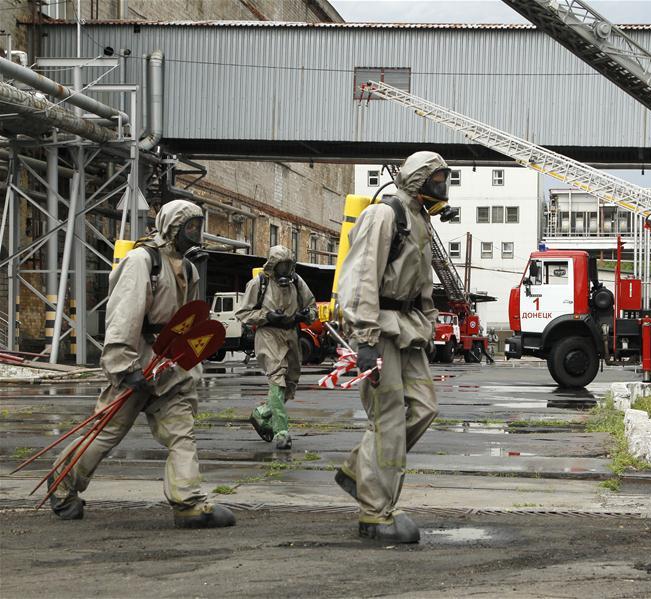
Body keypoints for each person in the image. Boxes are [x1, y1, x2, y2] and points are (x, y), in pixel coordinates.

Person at [48, 200, 236, 529]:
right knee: (105, 434)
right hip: (137, 363)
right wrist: (123, 365)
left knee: (182, 434)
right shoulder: (141, 261)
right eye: (190, 227)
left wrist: (188, 365)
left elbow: (188, 322)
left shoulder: (188, 268)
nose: (196, 233)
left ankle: (188, 503)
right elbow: (124, 314)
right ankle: (62, 484)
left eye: (198, 226)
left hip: (169, 368)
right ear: (172, 226)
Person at [335, 151, 448, 543]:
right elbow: (361, 276)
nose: (443, 185)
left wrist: (430, 325)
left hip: (409, 329)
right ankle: (375, 513)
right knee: (388, 421)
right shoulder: (384, 215)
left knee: (424, 408)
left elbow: (422, 283)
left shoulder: (419, 219)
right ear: (419, 180)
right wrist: (365, 339)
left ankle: (358, 470)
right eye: (438, 178)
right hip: (380, 327)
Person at [236, 245, 317, 450]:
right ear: (273, 266)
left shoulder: (297, 282)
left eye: (289, 266)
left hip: (291, 334)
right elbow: (243, 313)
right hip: (268, 334)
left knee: (290, 383)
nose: (286, 271)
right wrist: (266, 316)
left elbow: (312, 306)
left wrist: (305, 315)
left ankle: (261, 413)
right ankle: (282, 433)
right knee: (277, 379)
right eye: (282, 267)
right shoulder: (259, 283)